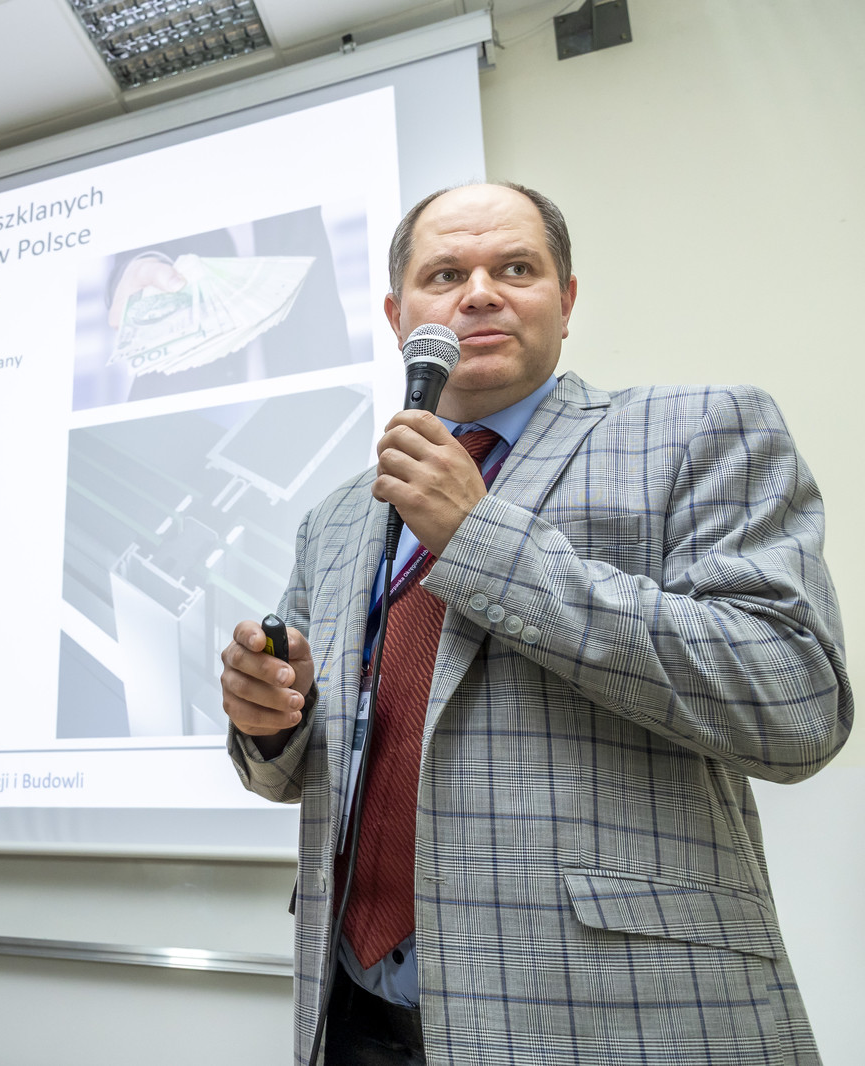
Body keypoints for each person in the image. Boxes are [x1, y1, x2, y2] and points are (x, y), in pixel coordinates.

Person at [220, 182, 851, 1065]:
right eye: (446, 274)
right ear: (400, 318)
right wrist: (272, 721)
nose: (480, 292)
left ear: (567, 299)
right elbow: (300, 769)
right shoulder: (336, 517)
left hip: (613, 1021)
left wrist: (479, 539)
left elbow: (795, 705)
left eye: (515, 268)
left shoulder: (702, 430)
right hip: (354, 1014)